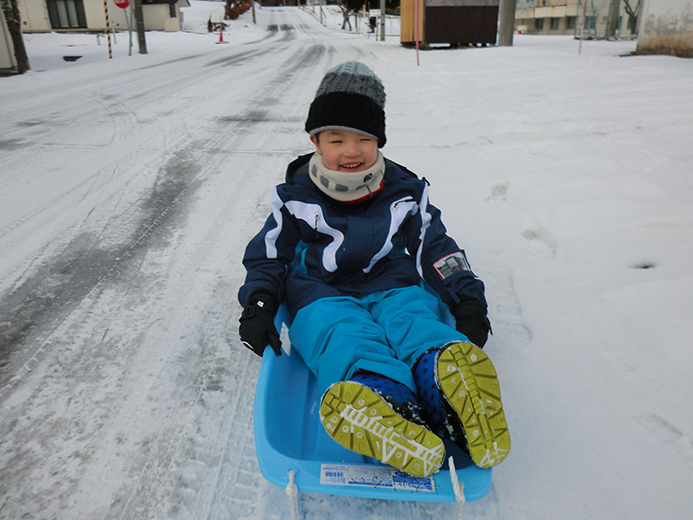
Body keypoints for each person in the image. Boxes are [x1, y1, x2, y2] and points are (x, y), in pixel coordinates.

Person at [238, 62, 510, 478]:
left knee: (417, 322)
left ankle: (448, 387)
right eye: (337, 139)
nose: (352, 151)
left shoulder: (404, 192)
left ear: (379, 141)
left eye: (365, 139)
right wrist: (260, 303)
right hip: (319, 292)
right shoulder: (295, 197)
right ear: (315, 141)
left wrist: (468, 298)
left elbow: (436, 248)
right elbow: (268, 257)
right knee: (341, 334)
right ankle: (383, 403)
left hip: (392, 282)